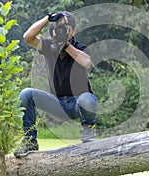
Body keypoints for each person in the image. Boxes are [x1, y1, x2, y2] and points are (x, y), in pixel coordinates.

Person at [13, 11, 98, 158]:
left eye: (66, 27)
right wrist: (48, 18)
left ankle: (88, 128)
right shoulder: (49, 46)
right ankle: (30, 140)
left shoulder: (80, 47)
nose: (62, 30)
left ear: (74, 30)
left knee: (88, 99)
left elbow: (87, 62)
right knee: (26, 94)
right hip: (57, 103)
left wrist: (65, 46)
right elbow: (27, 37)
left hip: (79, 103)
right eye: (59, 27)